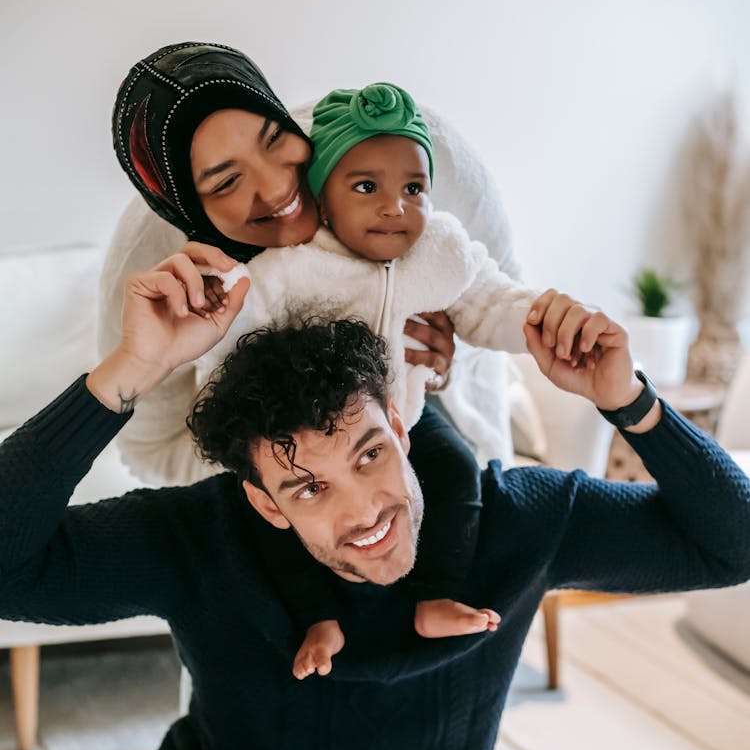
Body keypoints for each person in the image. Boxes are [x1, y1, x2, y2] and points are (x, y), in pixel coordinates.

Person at [1, 257, 749, 750]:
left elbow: (735, 540)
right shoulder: (202, 533)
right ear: (264, 501)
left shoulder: (520, 519)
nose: (363, 511)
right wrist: (132, 367)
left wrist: (629, 400)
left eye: (368, 454)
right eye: (308, 487)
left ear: (398, 421)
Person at [195, 80, 538, 676]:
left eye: (414, 188)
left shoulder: (436, 251)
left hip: (401, 413)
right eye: (365, 188)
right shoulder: (286, 270)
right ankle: (319, 617)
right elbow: (224, 361)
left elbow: (491, 303)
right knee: (284, 512)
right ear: (323, 199)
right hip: (306, 437)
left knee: (457, 468)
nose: (393, 207)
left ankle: (434, 595)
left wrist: (549, 320)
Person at [99, 41, 524, 491]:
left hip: (429, 416)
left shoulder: (406, 148)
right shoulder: (151, 264)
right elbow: (151, 451)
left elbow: (500, 290)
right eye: (226, 181)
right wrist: (285, 465)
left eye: (275, 139)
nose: (279, 185)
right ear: (186, 211)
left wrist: (446, 351)